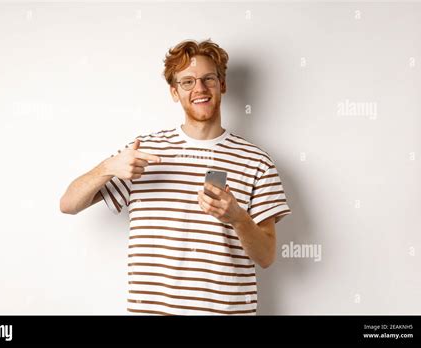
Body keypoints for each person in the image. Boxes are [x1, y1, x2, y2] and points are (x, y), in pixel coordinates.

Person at [60, 39, 292, 315]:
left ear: (223, 84)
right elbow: (69, 204)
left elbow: (266, 256)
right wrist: (108, 167)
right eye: (188, 82)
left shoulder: (257, 161)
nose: (200, 89)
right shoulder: (142, 153)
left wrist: (238, 218)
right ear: (174, 92)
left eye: (208, 79)